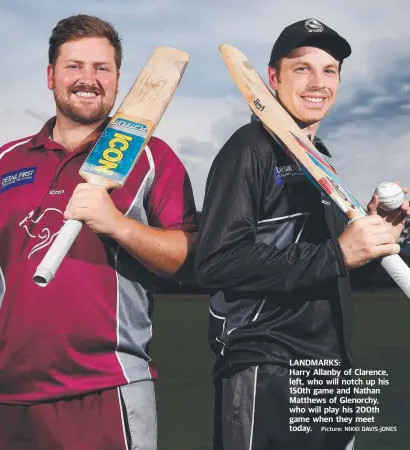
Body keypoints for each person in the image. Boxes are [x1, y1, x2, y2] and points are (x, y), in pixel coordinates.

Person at [0, 15, 198, 450]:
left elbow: (187, 257)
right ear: (51, 76)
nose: (88, 79)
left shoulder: (152, 158)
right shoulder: (6, 161)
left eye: (102, 68)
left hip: (103, 392)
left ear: (119, 78)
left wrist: (117, 224)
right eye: (74, 66)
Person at [195, 18, 409, 450]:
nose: (319, 82)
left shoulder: (320, 158)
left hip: (331, 370)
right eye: (302, 69)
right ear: (272, 78)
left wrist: (370, 237)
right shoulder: (249, 149)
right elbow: (216, 262)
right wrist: (339, 253)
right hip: (269, 367)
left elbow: (326, 260)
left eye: (330, 70)